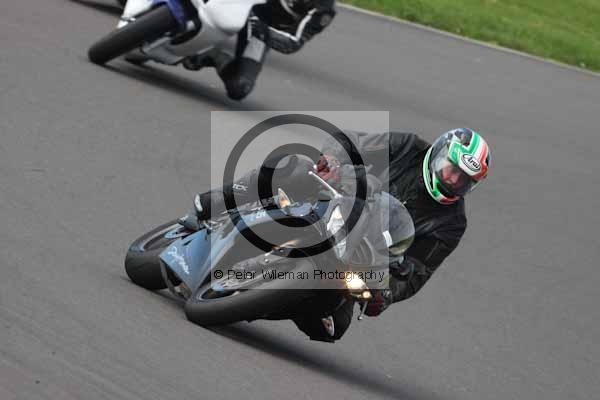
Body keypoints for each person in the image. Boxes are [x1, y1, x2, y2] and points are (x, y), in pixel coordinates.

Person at [195, 128, 491, 341]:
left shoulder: (452, 224)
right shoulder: (408, 147)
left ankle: (264, 301)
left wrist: (386, 293)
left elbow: (418, 271)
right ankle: (219, 200)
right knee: (293, 166)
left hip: (359, 257)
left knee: (331, 327)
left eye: (464, 180)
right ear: (439, 154)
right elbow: (348, 141)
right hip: (333, 201)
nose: (453, 180)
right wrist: (334, 160)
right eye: (451, 169)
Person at [183, 0, 337, 100]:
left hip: (260, 26)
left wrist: (263, 30)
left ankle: (215, 57)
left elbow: (293, 42)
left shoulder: (325, 9)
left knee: (239, 87)